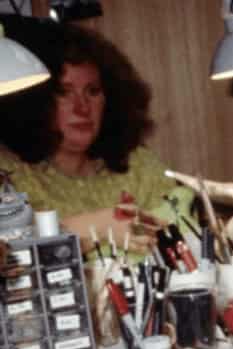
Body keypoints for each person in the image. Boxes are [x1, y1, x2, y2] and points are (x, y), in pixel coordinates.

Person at [0, 18, 191, 256]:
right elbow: (9, 250)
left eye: (92, 91)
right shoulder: (9, 173)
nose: (82, 108)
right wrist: (99, 225)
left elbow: (186, 240)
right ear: (34, 100)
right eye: (63, 92)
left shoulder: (139, 166)